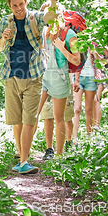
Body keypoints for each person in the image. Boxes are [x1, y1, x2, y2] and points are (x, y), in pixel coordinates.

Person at [0, 0, 60, 174]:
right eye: (14, 5)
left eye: (21, 4)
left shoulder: (35, 18)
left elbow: (51, 20)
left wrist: (53, 2)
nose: (18, 8)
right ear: (9, 6)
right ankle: (22, 158)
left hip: (33, 76)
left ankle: (23, 161)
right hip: (11, 76)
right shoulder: (5, 22)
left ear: (26, 2)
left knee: (29, 119)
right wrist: (3, 38)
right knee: (17, 121)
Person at [36, 12, 81, 157]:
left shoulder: (69, 34)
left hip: (60, 78)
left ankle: (60, 154)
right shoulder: (44, 32)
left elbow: (76, 60)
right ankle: (41, 151)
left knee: (59, 117)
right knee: (36, 114)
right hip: (44, 76)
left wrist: (62, 49)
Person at [92, 46, 108, 129]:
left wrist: (103, 63)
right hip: (91, 75)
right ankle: (93, 124)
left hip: (101, 76)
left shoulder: (101, 46)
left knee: (96, 99)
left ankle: (97, 124)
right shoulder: (86, 45)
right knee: (92, 101)